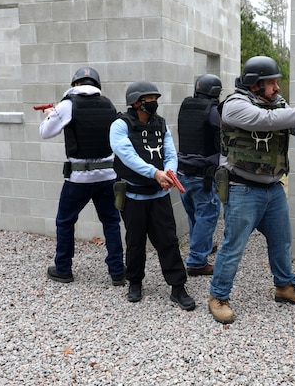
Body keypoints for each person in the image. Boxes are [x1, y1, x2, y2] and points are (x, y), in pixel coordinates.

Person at [208, 56, 295, 324]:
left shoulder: (278, 104)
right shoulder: (235, 105)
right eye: (271, 83)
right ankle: (218, 296)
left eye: (276, 82)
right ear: (254, 84)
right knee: (234, 245)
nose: (277, 88)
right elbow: (264, 120)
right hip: (241, 188)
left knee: (282, 242)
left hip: (273, 188)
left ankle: (284, 287)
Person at [109, 80, 195, 311]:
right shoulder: (120, 125)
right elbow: (127, 155)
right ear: (136, 102)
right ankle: (134, 282)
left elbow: (169, 151)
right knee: (135, 242)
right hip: (133, 196)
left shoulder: (160, 124)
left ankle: (178, 287)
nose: (154, 102)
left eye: (156, 98)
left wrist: (169, 173)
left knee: (168, 241)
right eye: (150, 99)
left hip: (158, 195)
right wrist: (154, 173)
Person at [39, 67, 125, 285]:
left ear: (75, 84)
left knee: (65, 222)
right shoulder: (108, 104)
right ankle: (117, 272)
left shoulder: (67, 104)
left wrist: (51, 115)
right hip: (108, 177)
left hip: (78, 179)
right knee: (111, 222)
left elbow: (45, 132)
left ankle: (63, 269)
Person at [177, 74, 223, 277]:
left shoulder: (185, 106)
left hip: (183, 173)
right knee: (208, 214)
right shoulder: (213, 112)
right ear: (215, 92)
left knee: (194, 214)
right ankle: (197, 261)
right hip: (202, 175)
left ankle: (201, 246)